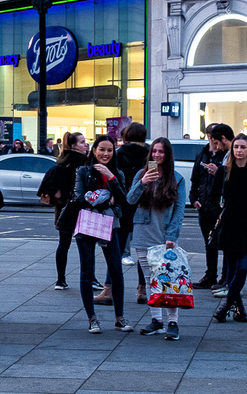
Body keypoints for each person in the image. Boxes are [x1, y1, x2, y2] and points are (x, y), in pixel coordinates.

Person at [127, 137, 188, 339]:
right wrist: (143, 183)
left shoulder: (177, 179)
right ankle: (157, 321)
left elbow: (179, 212)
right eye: (154, 151)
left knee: (169, 280)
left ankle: (172, 322)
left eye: (161, 152)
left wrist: (172, 236)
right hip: (143, 233)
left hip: (164, 236)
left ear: (168, 155)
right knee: (149, 279)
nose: (156, 155)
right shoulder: (142, 174)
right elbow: (130, 200)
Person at [208, 133, 247, 323]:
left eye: (243, 147)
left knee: (242, 268)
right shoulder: (224, 170)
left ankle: (226, 307)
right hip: (228, 227)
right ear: (232, 149)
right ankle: (239, 310)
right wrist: (217, 213)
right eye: (236, 147)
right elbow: (212, 197)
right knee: (232, 270)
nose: (239, 151)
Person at [73, 133, 131, 333]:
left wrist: (110, 176)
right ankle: (92, 319)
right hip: (87, 224)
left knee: (116, 271)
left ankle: (120, 317)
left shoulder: (117, 174)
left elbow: (123, 200)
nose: (106, 153)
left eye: (110, 150)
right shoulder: (83, 171)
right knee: (86, 272)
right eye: (102, 149)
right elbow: (79, 198)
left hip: (109, 225)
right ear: (94, 150)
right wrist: (107, 201)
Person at [39, 130, 88, 291]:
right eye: (82, 142)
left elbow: (49, 186)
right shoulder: (84, 163)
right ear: (73, 146)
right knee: (86, 246)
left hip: (63, 210)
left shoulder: (61, 163)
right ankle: (90, 278)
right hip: (82, 210)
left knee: (63, 245)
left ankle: (60, 280)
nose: (86, 144)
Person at [190, 124, 234, 290]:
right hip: (205, 204)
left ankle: (225, 277)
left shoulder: (227, 154)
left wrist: (219, 172)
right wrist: (193, 198)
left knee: (224, 242)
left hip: (220, 206)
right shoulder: (202, 154)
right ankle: (211, 275)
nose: (216, 145)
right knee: (209, 242)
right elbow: (195, 178)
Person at [112, 122, 151, 281]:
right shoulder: (150, 154)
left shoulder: (118, 154)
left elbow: (114, 176)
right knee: (144, 249)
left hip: (123, 202)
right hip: (144, 202)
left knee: (118, 246)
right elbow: (153, 174)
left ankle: (111, 285)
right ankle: (142, 287)